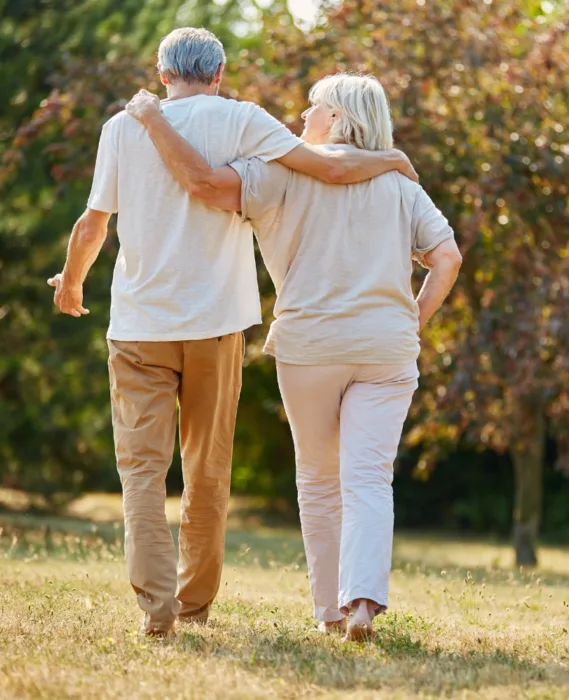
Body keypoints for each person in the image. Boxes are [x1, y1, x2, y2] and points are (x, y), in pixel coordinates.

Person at [48, 29, 417, 638]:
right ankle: (194, 605)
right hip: (217, 326)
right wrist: (392, 160)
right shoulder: (245, 120)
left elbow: (94, 223)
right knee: (207, 471)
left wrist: (70, 283)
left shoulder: (122, 127)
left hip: (140, 326)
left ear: (162, 73)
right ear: (219, 73)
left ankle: (156, 609)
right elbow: (325, 165)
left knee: (141, 473)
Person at [123, 73, 462, 642]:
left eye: (312, 107)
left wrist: (155, 123)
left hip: (310, 346)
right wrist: (413, 319)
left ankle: (328, 611)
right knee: (371, 477)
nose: (301, 116)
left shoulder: (276, 172)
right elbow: (446, 258)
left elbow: (206, 187)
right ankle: (362, 604)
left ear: (334, 117)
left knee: (319, 479)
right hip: (387, 346)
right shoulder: (400, 181)